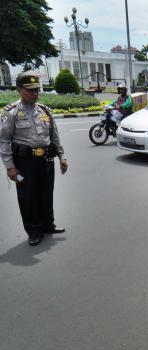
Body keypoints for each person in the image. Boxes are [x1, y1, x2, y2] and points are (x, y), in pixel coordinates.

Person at [0, 71, 68, 246]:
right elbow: (4, 140)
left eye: (36, 90)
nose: (34, 94)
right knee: (28, 197)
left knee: (46, 193)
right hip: (24, 162)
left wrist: (62, 156)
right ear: (19, 90)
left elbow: (55, 136)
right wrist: (10, 166)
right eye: (30, 90)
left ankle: (47, 224)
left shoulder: (45, 110)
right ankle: (34, 230)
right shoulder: (11, 113)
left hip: (45, 159)